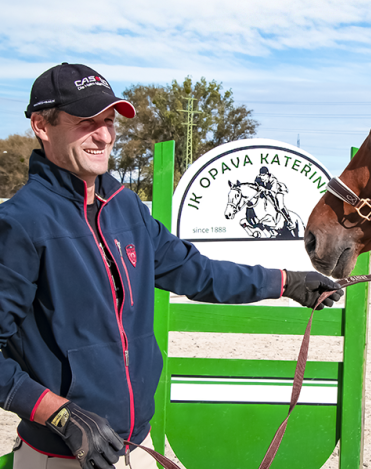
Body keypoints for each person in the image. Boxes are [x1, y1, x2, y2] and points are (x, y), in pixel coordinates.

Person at [0, 63, 343, 469]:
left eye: (108, 122)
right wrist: (57, 411)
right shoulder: (22, 223)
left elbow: (197, 272)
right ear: (41, 125)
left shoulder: (124, 206)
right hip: (59, 457)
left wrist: (286, 283)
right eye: (85, 122)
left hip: (134, 448)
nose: (104, 135)